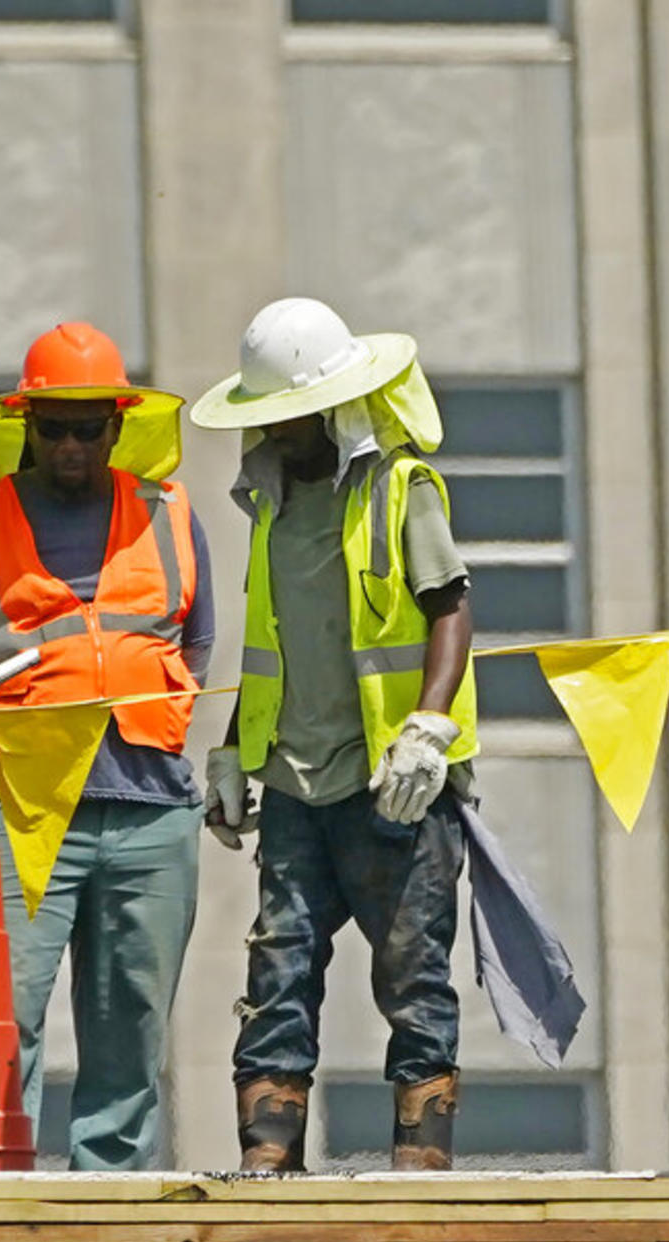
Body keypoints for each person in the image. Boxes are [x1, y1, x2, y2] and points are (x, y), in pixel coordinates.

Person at [0, 322, 214, 1171]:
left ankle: (106, 1202)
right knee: (1, 1018)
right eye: (55, 426)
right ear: (25, 425)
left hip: (151, 804)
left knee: (132, 1018)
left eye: (90, 425)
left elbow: (194, 649)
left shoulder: (171, 516)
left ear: (119, 425)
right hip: (24, 813)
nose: (73, 443)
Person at [190, 297, 478, 1173]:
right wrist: (236, 750)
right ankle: (266, 1163)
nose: (278, 434)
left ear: (329, 406)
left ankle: (418, 1171)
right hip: (296, 784)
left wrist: (429, 725)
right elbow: (272, 643)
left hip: (395, 783)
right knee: (278, 971)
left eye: (290, 417)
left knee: (412, 978)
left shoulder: (400, 486)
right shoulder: (271, 509)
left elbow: (450, 605)